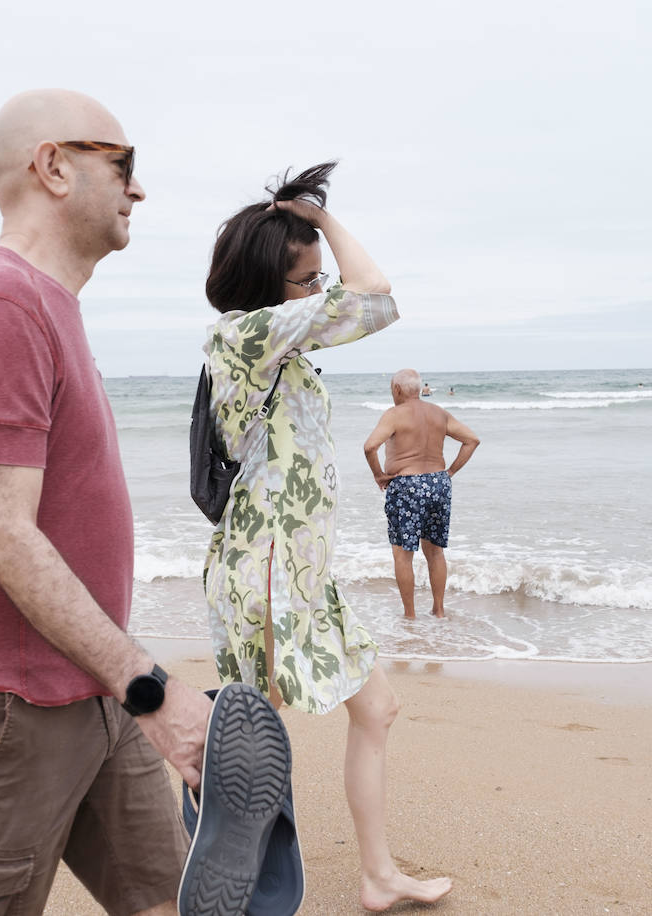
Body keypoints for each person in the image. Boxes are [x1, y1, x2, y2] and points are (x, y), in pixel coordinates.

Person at [0, 89, 211, 916]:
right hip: (2, 714)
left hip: (91, 690)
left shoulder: (49, 304)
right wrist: (151, 688)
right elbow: (4, 536)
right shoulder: (2, 303)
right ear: (54, 166)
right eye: (125, 164)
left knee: (174, 900)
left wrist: (126, 683)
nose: (138, 189)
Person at [201, 161, 452, 910]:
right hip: (267, 572)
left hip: (304, 574)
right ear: (262, 282)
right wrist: (323, 221)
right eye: (307, 280)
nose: (320, 291)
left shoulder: (280, 342)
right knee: (253, 746)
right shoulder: (244, 336)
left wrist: (306, 221)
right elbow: (376, 296)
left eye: (316, 280)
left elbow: (366, 298)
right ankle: (220, 880)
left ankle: (377, 877)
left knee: (376, 710)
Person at [363, 368, 480, 619]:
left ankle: (410, 615)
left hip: (406, 486)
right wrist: (449, 472)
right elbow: (472, 440)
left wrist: (378, 475)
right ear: (418, 389)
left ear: (396, 389)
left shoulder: (394, 415)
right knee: (435, 551)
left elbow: (370, 446)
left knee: (403, 554)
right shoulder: (439, 413)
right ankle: (438, 610)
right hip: (438, 483)